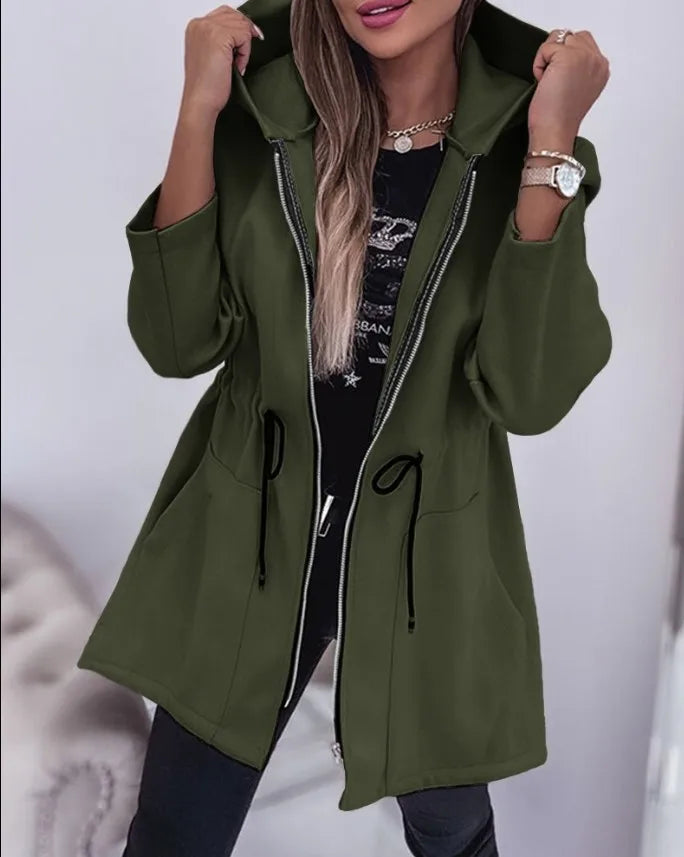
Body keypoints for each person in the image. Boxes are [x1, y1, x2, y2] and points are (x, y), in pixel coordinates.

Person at [77, 0, 612, 854]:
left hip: (426, 565)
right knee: (175, 831)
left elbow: (528, 394)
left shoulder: (527, 143)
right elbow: (179, 342)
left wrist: (550, 143)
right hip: (249, 537)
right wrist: (197, 112)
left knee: (451, 833)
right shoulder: (265, 110)